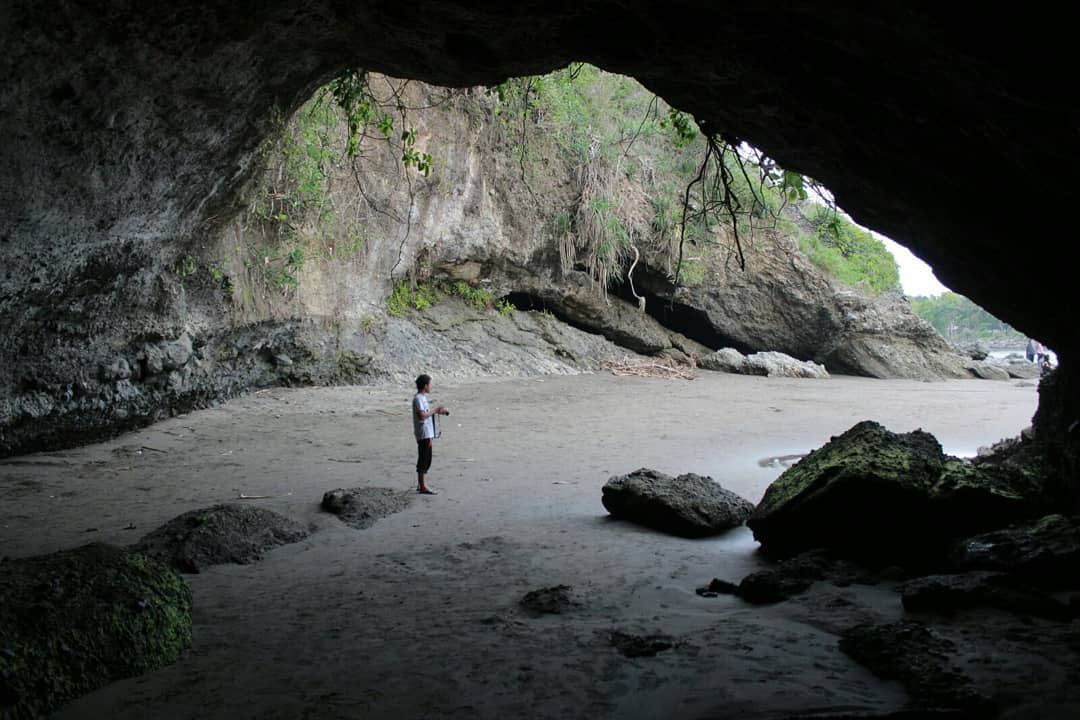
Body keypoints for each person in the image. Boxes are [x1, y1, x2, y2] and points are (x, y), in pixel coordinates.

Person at [412, 374, 449, 495]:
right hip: (423, 433)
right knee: (424, 458)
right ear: (425, 386)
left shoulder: (421, 397)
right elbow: (422, 415)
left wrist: (438, 412)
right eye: (429, 384)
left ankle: (421, 484)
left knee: (426, 458)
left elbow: (425, 413)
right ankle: (422, 486)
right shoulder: (418, 399)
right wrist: (435, 410)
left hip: (427, 432)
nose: (431, 387)